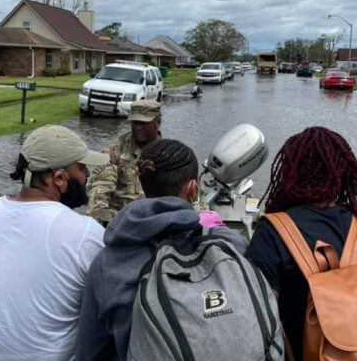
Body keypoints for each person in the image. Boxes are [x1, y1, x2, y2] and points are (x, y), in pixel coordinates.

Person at [76, 139, 247, 360]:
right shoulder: (232, 247)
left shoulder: (106, 265)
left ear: (142, 185)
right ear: (194, 189)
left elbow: (90, 352)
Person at [0, 125, 109, 361]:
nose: (88, 174)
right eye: (82, 168)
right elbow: (108, 303)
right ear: (59, 178)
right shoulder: (83, 232)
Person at [245, 126, 357, 360]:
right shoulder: (355, 222)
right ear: (341, 172)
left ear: (289, 172)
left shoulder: (273, 232)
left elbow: (256, 319)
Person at [86, 100, 162, 225]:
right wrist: (100, 220)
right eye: (135, 122)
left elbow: (188, 188)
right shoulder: (114, 150)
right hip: (120, 221)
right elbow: (100, 187)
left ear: (158, 123)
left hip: (157, 221)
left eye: (144, 123)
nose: (138, 128)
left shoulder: (171, 152)